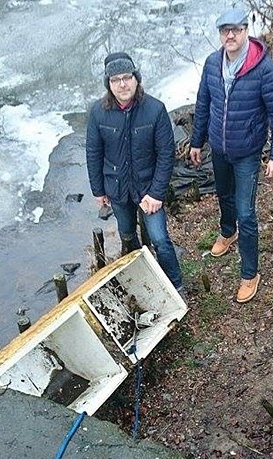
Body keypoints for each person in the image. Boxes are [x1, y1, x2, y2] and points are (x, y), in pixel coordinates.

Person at [189, 8, 273, 303]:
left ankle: (249, 274)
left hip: (247, 151)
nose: (230, 36)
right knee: (223, 195)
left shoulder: (263, 68)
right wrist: (197, 142)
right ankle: (226, 231)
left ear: (246, 30)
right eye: (224, 31)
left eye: (235, 29)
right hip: (219, 149)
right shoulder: (212, 63)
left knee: (246, 213)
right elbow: (203, 105)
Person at [86, 52, 184, 294]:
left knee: (160, 239)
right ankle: (142, 280)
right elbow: (93, 153)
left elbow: (165, 155)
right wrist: (98, 190)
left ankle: (176, 285)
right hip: (117, 189)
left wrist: (157, 193)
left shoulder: (155, 110)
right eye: (116, 79)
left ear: (136, 79)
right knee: (128, 235)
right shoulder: (98, 113)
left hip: (148, 188)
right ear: (108, 84)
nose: (123, 84)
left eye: (127, 77)